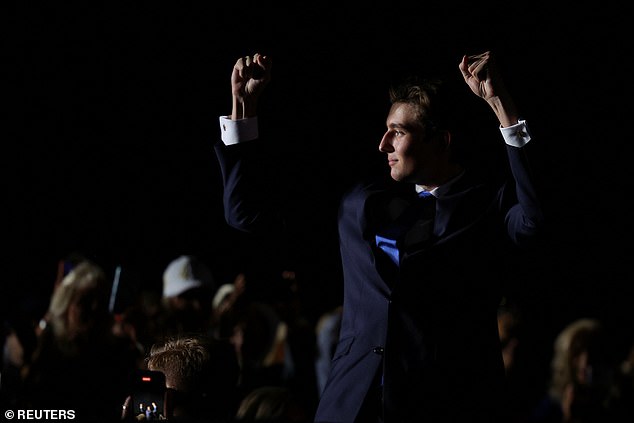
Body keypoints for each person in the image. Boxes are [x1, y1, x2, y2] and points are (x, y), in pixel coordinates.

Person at [214, 50, 546, 422]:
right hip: (352, 402)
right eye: (386, 130)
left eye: (399, 132)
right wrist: (244, 107)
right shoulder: (360, 200)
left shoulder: (488, 203)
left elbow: (535, 220)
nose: (383, 144)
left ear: (442, 141)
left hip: (446, 404)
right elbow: (244, 215)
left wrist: (504, 109)